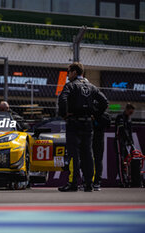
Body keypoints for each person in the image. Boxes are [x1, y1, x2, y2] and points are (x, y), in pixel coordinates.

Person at [58, 62, 108, 192]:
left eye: (69, 72)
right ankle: (88, 184)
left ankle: (73, 183)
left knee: (74, 154)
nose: (68, 75)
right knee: (88, 154)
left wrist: (64, 114)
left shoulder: (70, 86)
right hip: (87, 123)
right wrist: (95, 114)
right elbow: (104, 102)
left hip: (74, 123)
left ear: (74, 72)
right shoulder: (92, 87)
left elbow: (62, 100)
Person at [115, 103, 135, 188]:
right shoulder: (120, 117)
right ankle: (123, 181)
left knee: (127, 161)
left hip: (126, 143)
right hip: (119, 141)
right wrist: (129, 140)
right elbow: (122, 130)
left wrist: (131, 142)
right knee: (121, 161)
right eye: (130, 112)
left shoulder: (129, 119)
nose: (131, 114)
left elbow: (130, 131)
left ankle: (128, 179)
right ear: (126, 109)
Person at [92, 111, 111, 191]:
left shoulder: (105, 115)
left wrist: (96, 118)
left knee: (98, 160)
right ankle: (86, 181)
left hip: (98, 140)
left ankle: (97, 182)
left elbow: (107, 125)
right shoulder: (89, 112)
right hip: (89, 139)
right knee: (87, 160)